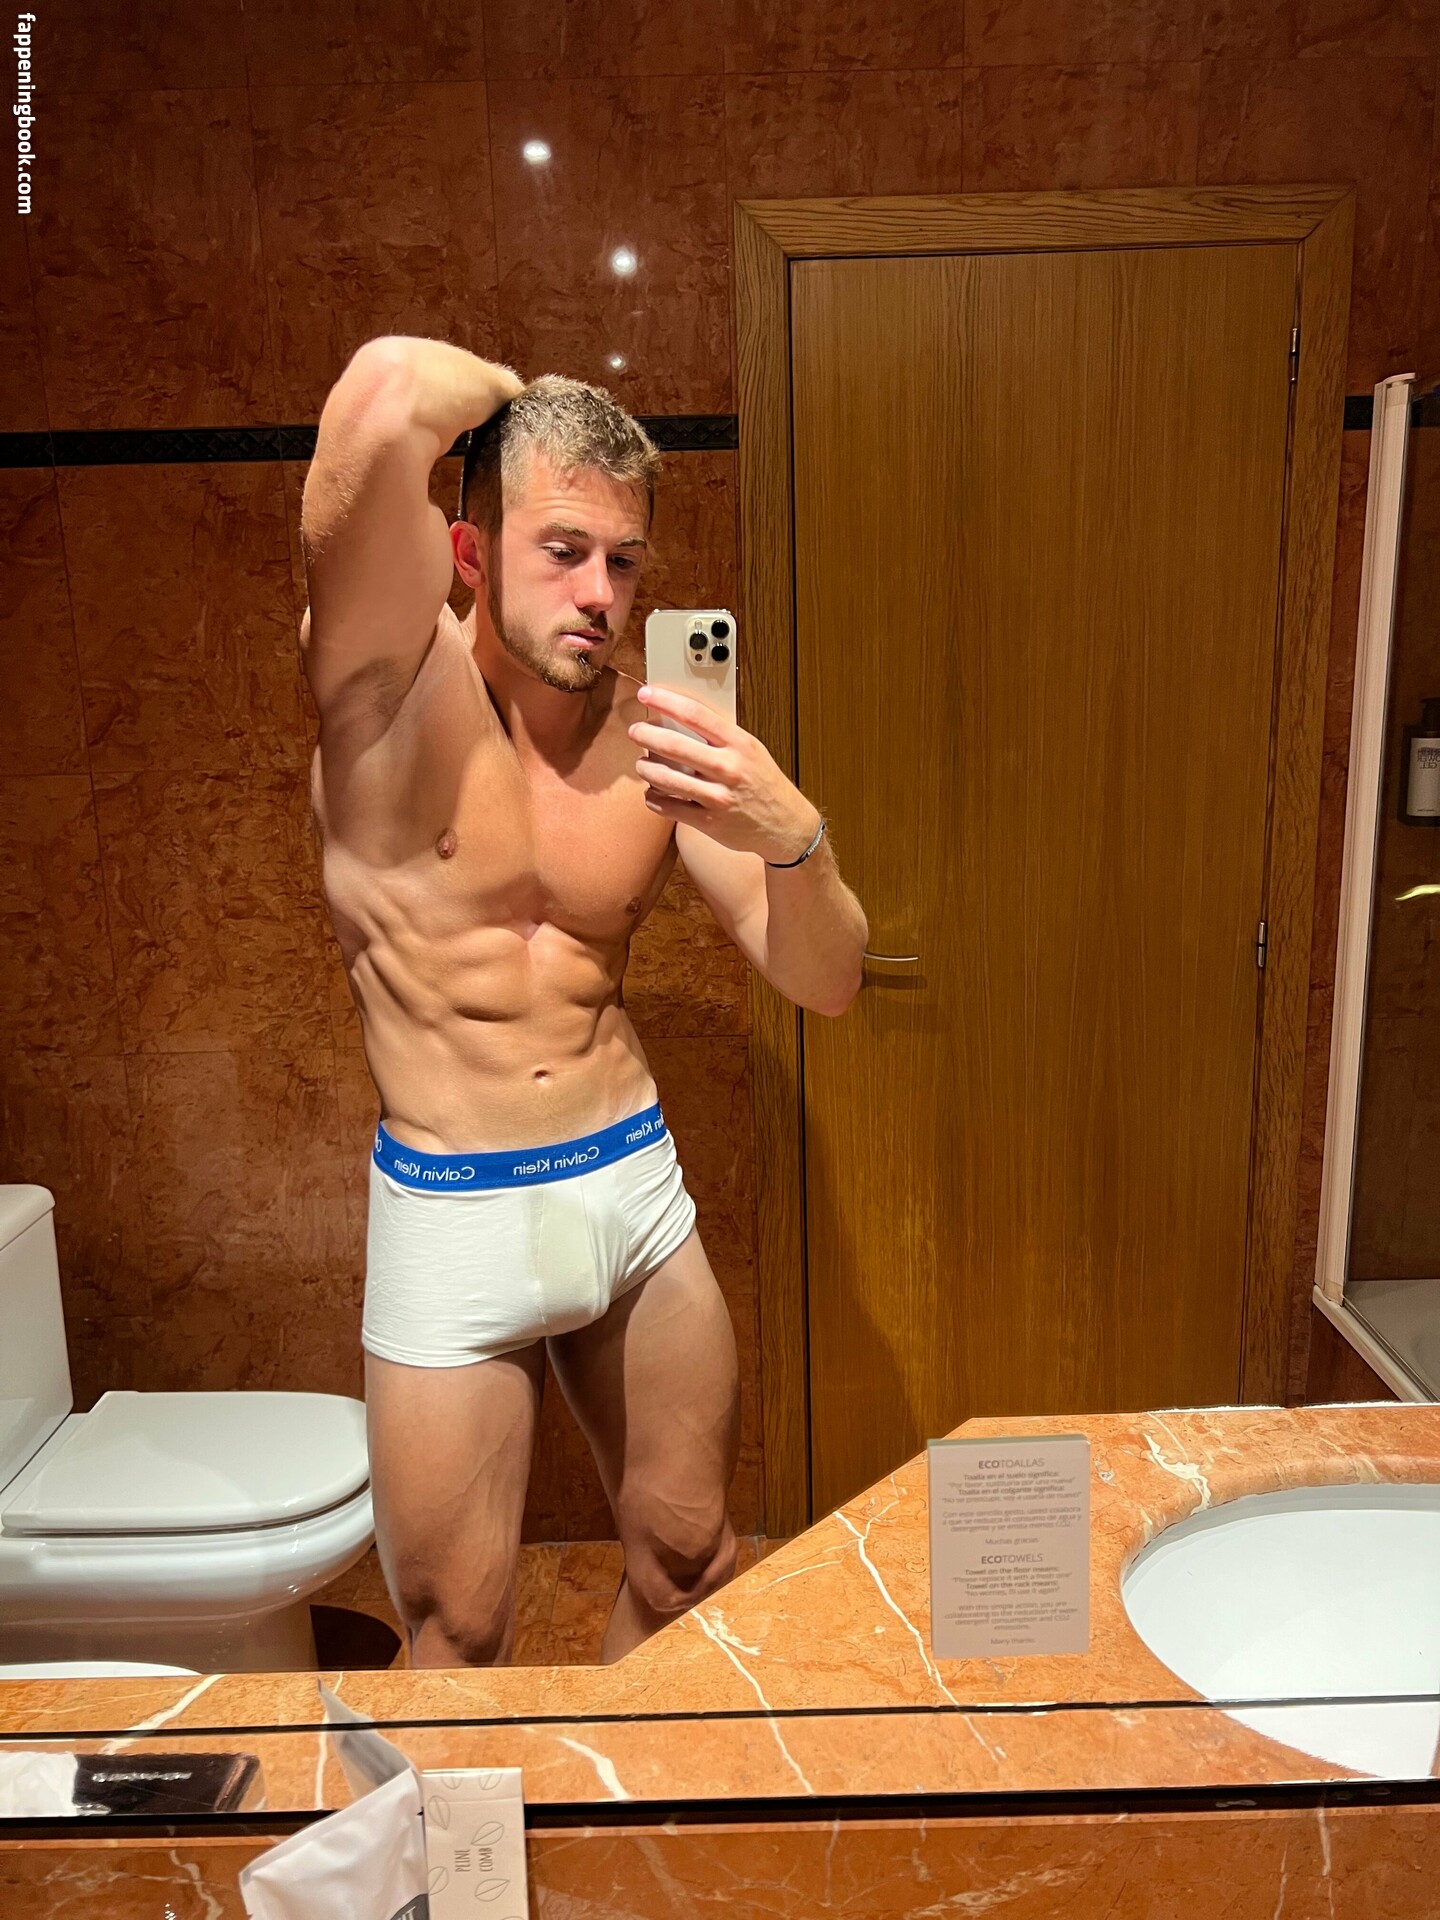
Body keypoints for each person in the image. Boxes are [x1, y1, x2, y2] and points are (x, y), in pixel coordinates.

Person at [299, 335, 868, 1666]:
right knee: (458, 1631)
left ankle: (617, 1803)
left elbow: (827, 980)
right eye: (562, 549)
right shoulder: (382, 689)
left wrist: (792, 835)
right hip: (454, 1210)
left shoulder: (660, 746)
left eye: (624, 560)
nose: (600, 593)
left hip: (628, 1193)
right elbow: (382, 394)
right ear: (469, 551)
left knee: (692, 1564)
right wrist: (531, 413)